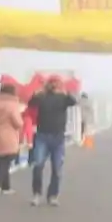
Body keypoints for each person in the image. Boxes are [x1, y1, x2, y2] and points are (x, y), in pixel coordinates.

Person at [27, 76, 77, 207]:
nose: (53, 85)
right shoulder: (42, 97)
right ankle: (37, 194)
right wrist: (36, 93)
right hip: (42, 135)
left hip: (58, 137)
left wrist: (66, 92)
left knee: (57, 169)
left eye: (56, 83)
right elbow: (31, 103)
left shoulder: (63, 98)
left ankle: (53, 195)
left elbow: (73, 101)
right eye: (51, 83)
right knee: (38, 165)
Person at [0, 83, 24, 195]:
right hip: (8, 134)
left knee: (4, 158)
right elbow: (17, 122)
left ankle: (6, 186)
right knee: (8, 158)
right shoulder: (12, 104)